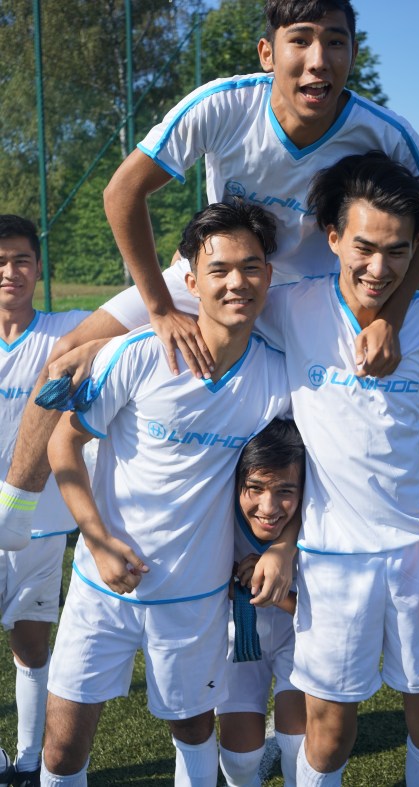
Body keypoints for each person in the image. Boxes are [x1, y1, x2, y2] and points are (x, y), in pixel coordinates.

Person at [0, 0, 419, 529]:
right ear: (267, 53)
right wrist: (160, 309)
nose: (318, 59)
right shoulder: (223, 105)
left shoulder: (383, 132)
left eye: (335, 41)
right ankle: (15, 511)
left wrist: (389, 319)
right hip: (224, 276)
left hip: (311, 303)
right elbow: (122, 191)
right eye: (300, 40)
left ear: (352, 53)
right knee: (65, 353)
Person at [39, 201, 293, 787]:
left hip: (194, 597)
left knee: (194, 732)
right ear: (191, 283)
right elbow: (63, 445)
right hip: (101, 588)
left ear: (269, 276)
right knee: (63, 749)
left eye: (251, 267)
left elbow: (304, 479)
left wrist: (283, 547)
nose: (236, 282)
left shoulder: (279, 378)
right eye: (219, 269)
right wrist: (98, 542)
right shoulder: (139, 354)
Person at [251, 152, 419, 785]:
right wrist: (95, 341)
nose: (380, 268)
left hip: (416, 551)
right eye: (365, 248)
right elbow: (210, 296)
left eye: (398, 251)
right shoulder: (292, 307)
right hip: (332, 560)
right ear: (333, 239)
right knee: (329, 728)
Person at [0, 215, 89, 787]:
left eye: (20, 260)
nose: (10, 272)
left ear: (37, 268)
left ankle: (30, 760)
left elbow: (135, 319)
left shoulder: (65, 332)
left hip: (41, 520)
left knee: (32, 641)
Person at [218, 418, 306, 787]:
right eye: (255, 488)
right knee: (239, 760)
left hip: (300, 637)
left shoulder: (318, 522)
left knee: (299, 744)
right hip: (237, 639)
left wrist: (275, 587)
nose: (268, 508)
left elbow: (331, 617)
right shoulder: (216, 515)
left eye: (285, 491)